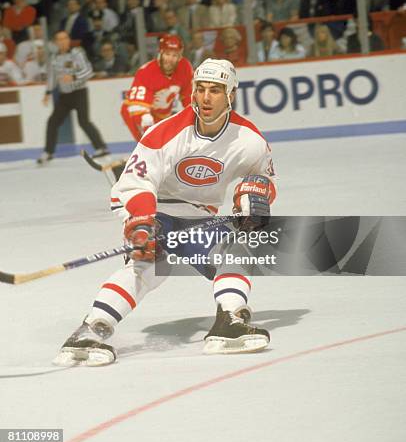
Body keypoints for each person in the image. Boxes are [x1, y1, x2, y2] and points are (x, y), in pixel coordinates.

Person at [54, 57, 276, 366]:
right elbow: (136, 183)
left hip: (198, 213)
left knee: (233, 251)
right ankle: (89, 332)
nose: (206, 97)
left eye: (215, 90)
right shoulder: (166, 133)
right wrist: (144, 223)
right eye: (200, 89)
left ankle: (229, 322)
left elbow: (263, 178)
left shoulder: (249, 140)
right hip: (151, 203)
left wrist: (254, 199)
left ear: (231, 94)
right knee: (149, 264)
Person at [37, 31, 109, 165]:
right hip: (65, 96)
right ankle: (48, 152)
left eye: (64, 38)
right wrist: (48, 92)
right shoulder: (54, 58)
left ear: (69, 40)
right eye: (59, 39)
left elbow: (88, 71)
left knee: (84, 121)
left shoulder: (77, 53)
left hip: (79, 92)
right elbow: (52, 76)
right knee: (52, 122)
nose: (62, 41)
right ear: (55, 42)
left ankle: (101, 147)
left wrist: (74, 77)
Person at [121, 34, 193, 143]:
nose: (170, 59)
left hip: (162, 114)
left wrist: (194, 117)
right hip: (137, 112)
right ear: (161, 53)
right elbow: (138, 109)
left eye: (175, 55)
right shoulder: (146, 71)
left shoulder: (185, 67)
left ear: (180, 57)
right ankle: (143, 150)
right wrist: (150, 142)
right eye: (167, 54)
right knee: (144, 122)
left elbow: (188, 97)